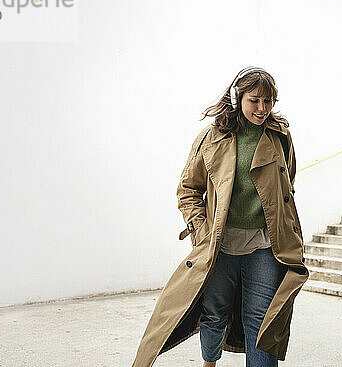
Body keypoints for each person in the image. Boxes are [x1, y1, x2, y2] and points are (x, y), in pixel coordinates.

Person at [131, 67, 308, 367]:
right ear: (237, 97)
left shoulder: (281, 137)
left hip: (265, 246)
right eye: (255, 100)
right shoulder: (213, 138)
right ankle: (209, 363)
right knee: (214, 314)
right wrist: (202, 232)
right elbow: (187, 189)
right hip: (219, 245)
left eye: (269, 101)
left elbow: (286, 186)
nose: (262, 109)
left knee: (263, 322)